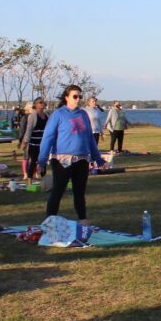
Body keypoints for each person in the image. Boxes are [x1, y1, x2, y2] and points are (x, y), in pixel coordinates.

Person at [38, 86, 105, 225]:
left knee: (79, 193)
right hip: (62, 160)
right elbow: (48, 137)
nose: (78, 99)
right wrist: (42, 159)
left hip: (82, 159)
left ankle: (83, 220)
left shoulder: (83, 114)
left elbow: (89, 138)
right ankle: (49, 222)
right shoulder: (58, 114)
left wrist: (98, 158)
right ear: (66, 97)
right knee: (58, 191)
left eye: (80, 97)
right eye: (75, 96)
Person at [18, 97, 48, 183]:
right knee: (33, 162)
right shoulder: (32, 116)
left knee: (43, 163)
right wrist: (24, 142)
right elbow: (29, 130)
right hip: (34, 144)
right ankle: (29, 181)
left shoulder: (47, 115)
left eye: (43, 102)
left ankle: (44, 181)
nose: (43, 104)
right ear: (36, 105)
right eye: (40, 102)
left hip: (43, 144)